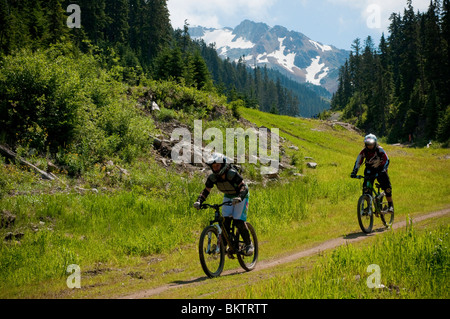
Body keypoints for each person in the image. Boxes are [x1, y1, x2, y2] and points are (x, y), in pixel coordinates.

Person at [194, 153, 254, 256]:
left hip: (241, 195)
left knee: (238, 221)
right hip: (228, 196)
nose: (216, 168)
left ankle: (249, 244)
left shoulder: (232, 174)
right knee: (225, 222)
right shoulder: (213, 177)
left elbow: (244, 187)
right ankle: (226, 245)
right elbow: (206, 190)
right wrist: (199, 201)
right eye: (213, 166)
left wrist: (239, 197)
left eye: (217, 166)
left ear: (222, 165)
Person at [351, 134, 394, 213]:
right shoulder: (363, 152)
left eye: (371, 144)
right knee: (366, 189)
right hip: (369, 170)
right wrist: (354, 172)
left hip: (381, 170)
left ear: (375, 143)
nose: (370, 146)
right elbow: (358, 161)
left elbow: (386, 160)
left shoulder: (379, 150)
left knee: (387, 188)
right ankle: (368, 207)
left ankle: (390, 206)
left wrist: (383, 169)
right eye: (368, 144)